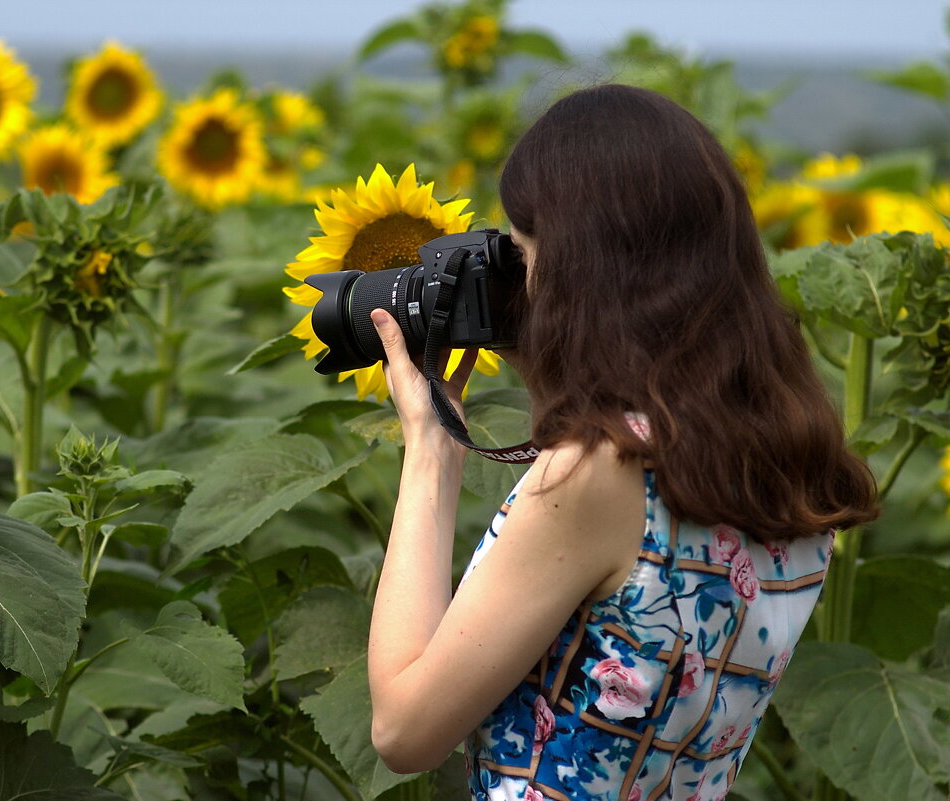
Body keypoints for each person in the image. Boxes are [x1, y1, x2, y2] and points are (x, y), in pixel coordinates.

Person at [365, 84, 878, 801]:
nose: (525, 279)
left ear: (581, 269)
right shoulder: (789, 455)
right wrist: (552, 358)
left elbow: (402, 730)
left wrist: (431, 450)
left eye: (527, 254)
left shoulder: (596, 476)